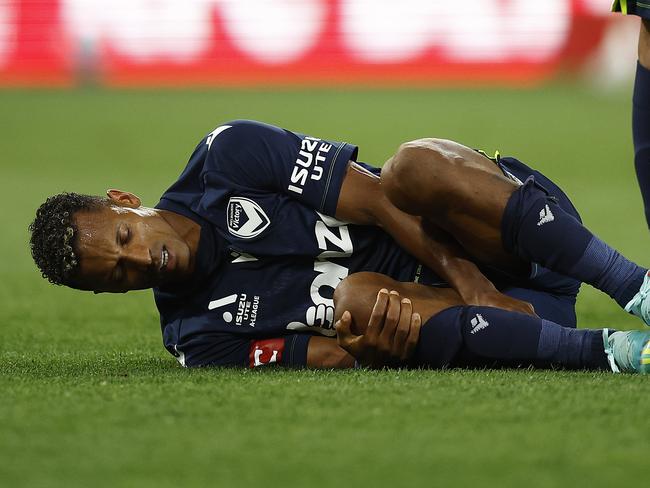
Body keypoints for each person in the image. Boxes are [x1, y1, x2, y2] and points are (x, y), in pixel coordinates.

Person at [28, 7, 650, 373]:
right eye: (116, 277)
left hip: (513, 236)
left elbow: (380, 198)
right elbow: (327, 355)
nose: (140, 261)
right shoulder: (194, 337)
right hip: (486, 319)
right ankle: (621, 353)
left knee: (411, 169)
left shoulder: (227, 158)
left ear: (123, 203)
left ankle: (636, 288)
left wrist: (475, 285)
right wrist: (370, 348)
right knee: (355, 304)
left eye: (125, 240)